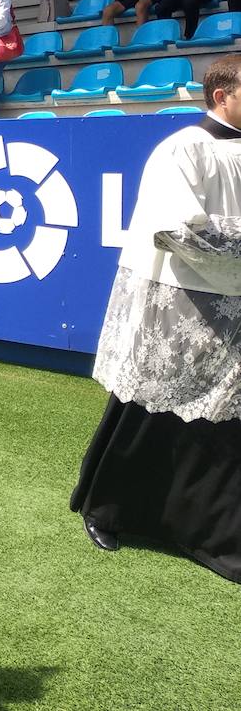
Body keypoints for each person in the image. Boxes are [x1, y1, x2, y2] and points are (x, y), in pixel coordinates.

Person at [70, 54, 241, 584]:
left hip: (232, 300)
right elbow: (178, 230)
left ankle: (210, 530)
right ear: (222, 96)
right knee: (150, 410)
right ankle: (108, 507)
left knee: (225, 421)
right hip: (183, 303)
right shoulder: (184, 148)